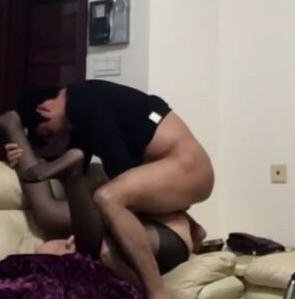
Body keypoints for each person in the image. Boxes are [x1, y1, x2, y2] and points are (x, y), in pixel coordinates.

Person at [12, 80, 214, 299]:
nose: (54, 136)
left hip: (186, 165)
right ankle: (194, 229)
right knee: (108, 196)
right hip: (177, 167)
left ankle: (157, 292)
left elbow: (118, 164)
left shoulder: (81, 101)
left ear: (44, 109)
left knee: (107, 197)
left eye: (47, 133)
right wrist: (23, 157)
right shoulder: (82, 103)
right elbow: (76, 163)